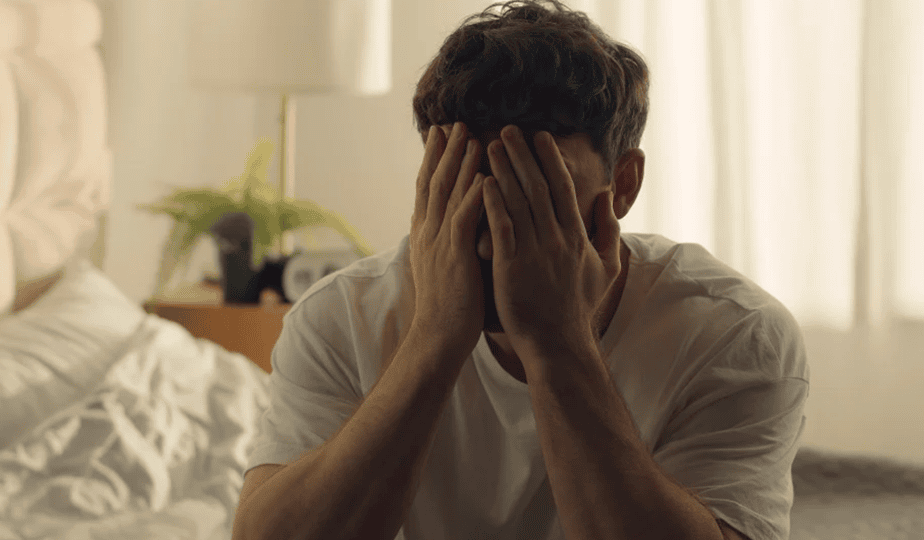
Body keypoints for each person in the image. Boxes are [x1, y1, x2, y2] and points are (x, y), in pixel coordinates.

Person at [232, 1, 809, 539]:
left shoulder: (737, 331)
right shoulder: (342, 316)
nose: (493, 222)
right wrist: (433, 338)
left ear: (623, 185)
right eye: (467, 178)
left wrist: (559, 341)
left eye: (534, 187)